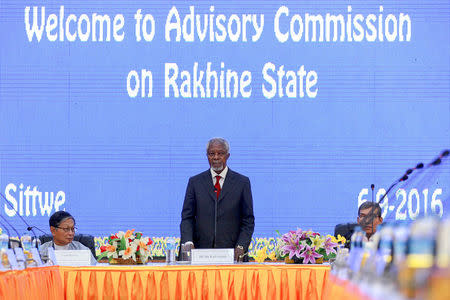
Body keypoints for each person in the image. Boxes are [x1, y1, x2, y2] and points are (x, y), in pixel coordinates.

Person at [180, 138, 255, 262]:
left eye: (220, 153)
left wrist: (241, 245)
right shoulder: (195, 182)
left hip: (232, 255)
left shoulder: (242, 183)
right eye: (211, 154)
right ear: (207, 156)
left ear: (228, 156)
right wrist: (188, 241)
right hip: (200, 254)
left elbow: (248, 220)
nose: (216, 157)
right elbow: (187, 217)